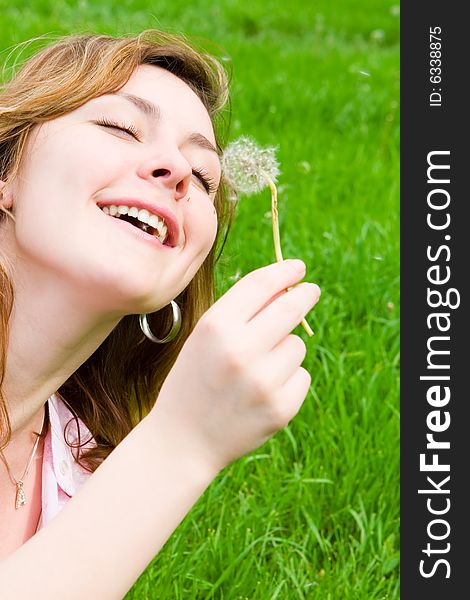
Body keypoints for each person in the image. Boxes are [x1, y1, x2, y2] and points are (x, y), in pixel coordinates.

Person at [0, 29, 320, 597]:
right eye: (120, 128)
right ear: (7, 172)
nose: (174, 169)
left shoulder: (75, 464)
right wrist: (180, 443)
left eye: (203, 176)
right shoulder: (143, 466)